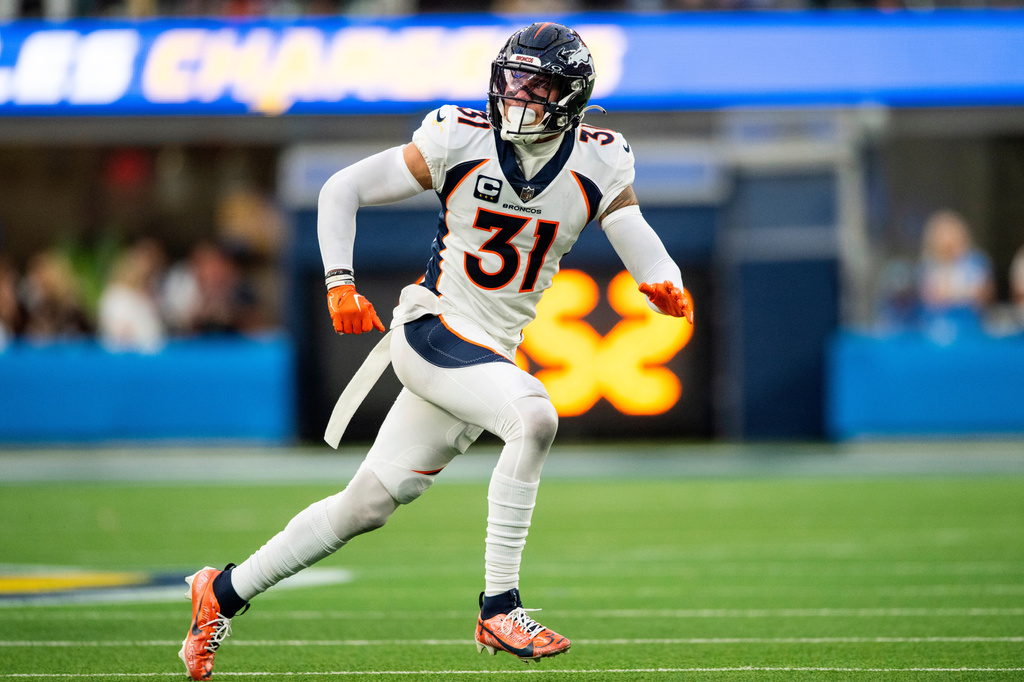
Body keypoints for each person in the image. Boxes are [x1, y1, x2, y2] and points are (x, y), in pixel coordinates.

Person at [179, 22, 692, 680]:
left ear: (569, 96)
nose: (514, 96)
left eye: (533, 85)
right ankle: (499, 606)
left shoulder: (600, 157)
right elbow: (343, 188)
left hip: (486, 353)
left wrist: (666, 280)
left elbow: (631, 227)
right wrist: (340, 282)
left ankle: (219, 593)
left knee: (366, 505)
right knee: (534, 416)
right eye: (509, 79)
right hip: (434, 326)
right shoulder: (462, 136)